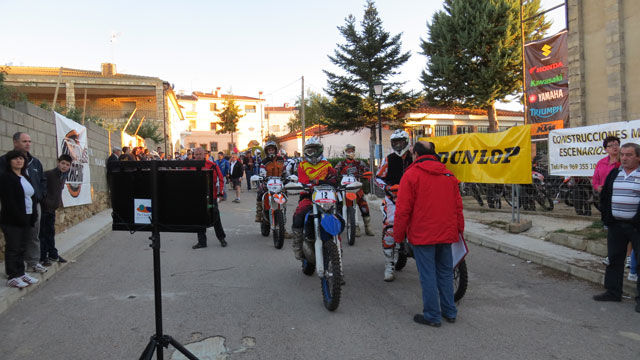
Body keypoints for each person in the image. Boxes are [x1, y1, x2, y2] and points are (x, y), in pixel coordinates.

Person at [393, 141, 464, 327]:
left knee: (428, 275)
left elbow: (402, 210)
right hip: (446, 233)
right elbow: (458, 206)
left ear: (416, 154)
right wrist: (459, 229)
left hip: (422, 234)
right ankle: (450, 311)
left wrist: (398, 237)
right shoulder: (448, 174)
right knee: (446, 273)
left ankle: (432, 315)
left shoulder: (411, 175)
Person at [596, 142, 640, 313]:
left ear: (638, 157)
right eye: (622, 154)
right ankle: (613, 292)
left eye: (629, 155)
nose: (624, 158)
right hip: (616, 225)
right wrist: (607, 217)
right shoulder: (615, 173)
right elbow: (606, 196)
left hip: (636, 226)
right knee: (614, 259)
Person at [0, 132, 48, 274]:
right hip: (14, 206)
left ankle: (33, 262)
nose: (28, 144)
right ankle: (15, 272)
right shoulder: (4, 161)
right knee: (15, 240)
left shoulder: (35, 162)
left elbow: (42, 180)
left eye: (29, 141)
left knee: (33, 235)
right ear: (15, 143)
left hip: (33, 205)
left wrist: (40, 195)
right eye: (24, 141)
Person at [291, 137, 338, 260]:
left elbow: (333, 178)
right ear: (305, 151)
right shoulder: (302, 165)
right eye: (310, 151)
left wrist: (321, 182)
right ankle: (297, 245)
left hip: (326, 198)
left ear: (320, 150)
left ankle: (338, 244)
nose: (313, 154)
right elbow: (303, 181)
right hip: (308, 196)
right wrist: (319, 183)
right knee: (298, 214)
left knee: (336, 216)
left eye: (315, 150)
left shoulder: (327, 164)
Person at [375, 129, 413, 282]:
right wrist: (387, 188)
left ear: (407, 141)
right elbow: (378, 178)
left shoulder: (414, 157)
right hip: (393, 199)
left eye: (401, 142)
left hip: (413, 199)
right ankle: (389, 264)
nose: (398, 145)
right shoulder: (388, 159)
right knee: (390, 229)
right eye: (395, 142)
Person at [0, 150, 41, 288]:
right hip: (12, 219)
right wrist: (19, 217)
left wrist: (33, 214)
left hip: (27, 217)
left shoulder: (25, 176)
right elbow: (9, 201)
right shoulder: (6, 177)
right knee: (13, 247)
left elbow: (32, 196)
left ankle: (21, 273)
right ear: (9, 161)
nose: (19, 161)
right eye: (15, 159)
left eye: (21, 158)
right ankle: (13, 276)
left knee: (23, 246)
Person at [592, 136, 623, 266]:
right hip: (606, 200)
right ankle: (612, 255)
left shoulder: (624, 162)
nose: (615, 147)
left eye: (616, 144)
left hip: (621, 198)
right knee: (611, 229)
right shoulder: (601, 163)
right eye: (611, 145)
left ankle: (627, 257)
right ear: (606, 149)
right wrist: (598, 187)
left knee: (626, 228)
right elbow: (595, 180)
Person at [334, 144, 374, 237]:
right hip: (344, 188)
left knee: (364, 205)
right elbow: (335, 171)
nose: (350, 153)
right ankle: (341, 225)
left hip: (356, 187)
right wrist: (335, 176)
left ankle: (367, 226)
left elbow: (366, 170)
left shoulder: (359, 163)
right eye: (348, 151)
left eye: (352, 151)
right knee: (338, 204)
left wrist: (365, 174)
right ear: (345, 153)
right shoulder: (341, 163)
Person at [191, 147, 227, 248]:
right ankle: (202, 242)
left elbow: (220, 179)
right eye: (196, 154)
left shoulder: (212, 165)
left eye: (200, 154)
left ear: (204, 154)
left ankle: (222, 238)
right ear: (194, 155)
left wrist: (220, 194)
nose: (198, 156)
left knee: (215, 217)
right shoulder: (190, 166)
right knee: (199, 219)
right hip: (197, 198)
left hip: (211, 197)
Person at [39, 154, 72, 265]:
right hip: (44, 209)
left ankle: (53, 254)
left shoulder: (63, 176)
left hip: (52, 209)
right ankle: (43, 257)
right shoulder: (48, 174)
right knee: (42, 234)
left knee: (50, 232)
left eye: (67, 165)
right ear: (58, 162)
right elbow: (41, 190)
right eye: (62, 163)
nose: (64, 166)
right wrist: (45, 202)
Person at [255, 141, 286, 222]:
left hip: (279, 182)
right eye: (269, 150)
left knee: (285, 192)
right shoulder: (264, 161)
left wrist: (286, 176)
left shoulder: (281, 160)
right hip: (268, 182)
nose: (271, 151)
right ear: (266, 151)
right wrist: (262, 177)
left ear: (275, 150)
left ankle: (283, 209)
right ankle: (259, 213)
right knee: (260, 192)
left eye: (272, 150)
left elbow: (285, 170)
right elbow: (262, 171)